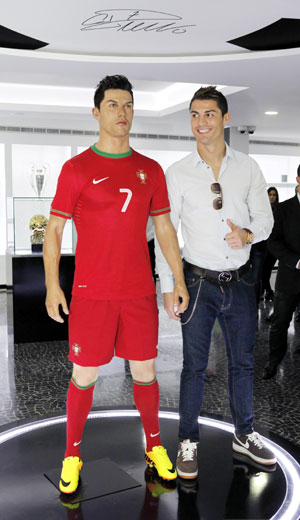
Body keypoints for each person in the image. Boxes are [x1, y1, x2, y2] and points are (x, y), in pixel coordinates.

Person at [43, 75, 189, 494]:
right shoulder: (76, 169)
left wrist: (176, 278)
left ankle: (155, 447)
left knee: (145, 370)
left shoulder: (150, 169)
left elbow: (164, 228)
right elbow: (54, 231)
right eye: (112, 105)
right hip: (91, 293)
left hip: (138, 291)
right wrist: (53, 285)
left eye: (127, 105)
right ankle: (72, 454)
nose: (121, 112)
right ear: (96, 112)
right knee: (84, 374)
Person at [156, 85, 276, 479]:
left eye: (208, 114)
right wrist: (170, 284)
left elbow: (265, 219)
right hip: (197, 281)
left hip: (241, 283)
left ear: (225, 119)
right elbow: (165, 231)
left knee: (242, 364)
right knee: (193, 367)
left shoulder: (248, 168)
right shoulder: (177, 173)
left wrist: (247, 234)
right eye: (194, 114)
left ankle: (244, 433)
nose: (200, 122)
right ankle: (187, 441)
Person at [263, 173, 300, 379]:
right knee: (280, 323)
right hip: (289, 277)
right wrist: (296, 261)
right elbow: (273, 242)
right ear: (298, 179)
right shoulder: (283, 209)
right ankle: (274, 360)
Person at [261, 186, 279, 302]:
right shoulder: (262, 210)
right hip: (262, 246)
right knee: (263, 271)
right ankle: (266, 291)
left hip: (273, 246)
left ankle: (268, 291)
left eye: (274, 195)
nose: (272, 197)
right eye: (270, 194)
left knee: (266, 271)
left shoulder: (279, 209)